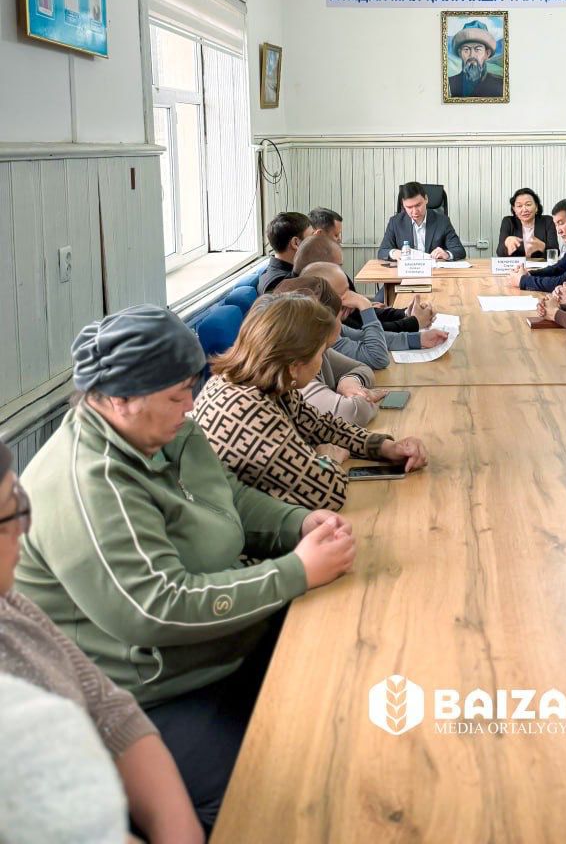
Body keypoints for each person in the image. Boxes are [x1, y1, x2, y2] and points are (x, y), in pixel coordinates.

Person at [16, 305, 356, 829]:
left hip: (214, 652)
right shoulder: (89, 481)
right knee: (267, 793)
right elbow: (155, 607)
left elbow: (229, 498)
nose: (190, 405)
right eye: (177, 395)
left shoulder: (166, 432)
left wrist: (297, 523)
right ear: (121, 399)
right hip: (147, 694)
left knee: (341, 683)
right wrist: (295, 573)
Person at [0, 438, 203, 844]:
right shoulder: (86, 477)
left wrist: (177, 829)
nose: (23, 528)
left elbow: (108, 706)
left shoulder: (10, 605)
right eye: (10, 513)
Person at [193, 295, 426, 510]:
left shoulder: (264, 383)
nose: (322, 360)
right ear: (295, 365)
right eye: (320, 352)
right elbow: (328, 490)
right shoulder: (246, 412)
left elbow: (321, 426)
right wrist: (328, 459)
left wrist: (386, 447)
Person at [274, 277, 386, 425]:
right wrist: (365, 398)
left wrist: (349, 380)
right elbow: (351, 413)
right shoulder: (297, 366)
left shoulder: (320, 351)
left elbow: (362, 368)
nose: (341, 324)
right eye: (339, 318)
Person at [299, 261, 448, 367]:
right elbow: (377, 357)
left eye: (349, 291)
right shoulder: (322, 335)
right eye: (343, 294)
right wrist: (364, 305)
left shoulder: (333, 325)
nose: (352, 297)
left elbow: (364, 336)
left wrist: (419, 339)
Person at [299, 217, 423, 333]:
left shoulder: (322, 284)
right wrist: (413, 323)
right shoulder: (321, 305)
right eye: (336, 235)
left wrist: (404, 313)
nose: (340, 240)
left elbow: (358, 316)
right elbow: (364, 333)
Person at [508, 198, 566, 295]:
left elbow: (565, 281)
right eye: (556, 225)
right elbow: (558, 268)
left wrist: (523, 281)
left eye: (561, 223)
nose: (558, 231)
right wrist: (529, 274)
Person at [378, 182, 465, 261]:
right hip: (407, 270)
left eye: (418, 205)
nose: (415, 211)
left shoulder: (442, 221)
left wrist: (446, 254)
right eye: (409, 207)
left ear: (426, 199)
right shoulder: (395, 222)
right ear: (403, 205)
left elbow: (459, 250)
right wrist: (393, 253)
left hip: (433, 270)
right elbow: (382, 251)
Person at [258, 211, 315, 293]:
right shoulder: (281, 285)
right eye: (312, 236)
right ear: (296, 243)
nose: (316, 241)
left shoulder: (275, 273)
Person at [496, 187, 558, 259]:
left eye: (528, 204)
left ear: (536, 207)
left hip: (541, 265)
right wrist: (506, 243)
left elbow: (556, 253)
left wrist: (543, 247)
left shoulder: (547, 221)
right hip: (517, 265)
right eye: (519, 206)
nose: (524, 209)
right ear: (514, 209)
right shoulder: (508, 222)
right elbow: (499, 253)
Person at [447, 20, 502, 98]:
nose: (472, 55)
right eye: (466, 49)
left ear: (487, 53)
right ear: (460, 53)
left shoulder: (500, 84)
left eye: (477, 49)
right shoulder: (449, 84)